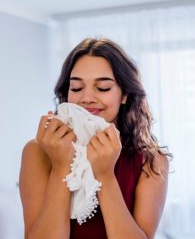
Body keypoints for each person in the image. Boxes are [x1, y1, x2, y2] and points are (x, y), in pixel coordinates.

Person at [19, 37, 171, 239]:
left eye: (103, 88)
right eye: (76, 88)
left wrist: (105, 176)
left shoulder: (152, 161)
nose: (87, 98)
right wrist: (61, 167)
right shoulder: (37, 151)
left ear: (124, 94)